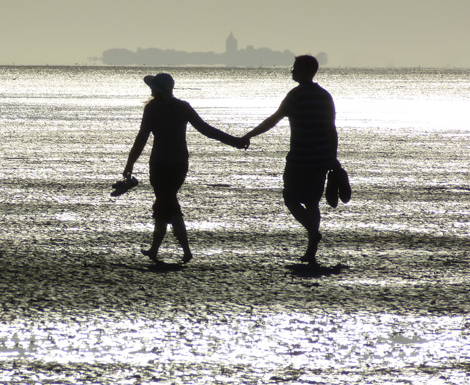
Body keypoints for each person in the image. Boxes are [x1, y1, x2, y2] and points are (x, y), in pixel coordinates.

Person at [123, 73, 245, 264]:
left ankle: (186, 251)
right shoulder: (182, 107)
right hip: (180, 163)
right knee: (164, 203)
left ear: (157, 89)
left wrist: (130, 163)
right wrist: (234, 141)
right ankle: (154, 250)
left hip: (160, 162)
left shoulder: (153, 108)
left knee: (168, 204)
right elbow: (206, 130)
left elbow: (142, 137)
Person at [241, 55, 339, 265]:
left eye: (295, 68)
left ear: (304, 71)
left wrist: (249, 135)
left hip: (300, 158)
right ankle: (311, 249)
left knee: (290, 198)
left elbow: (273, 120)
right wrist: (333, 157)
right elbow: (332, 130)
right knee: (312, 202)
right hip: (321, 157)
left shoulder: (295, 96)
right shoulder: (325, 96)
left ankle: (313, 233)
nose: (291, 71)